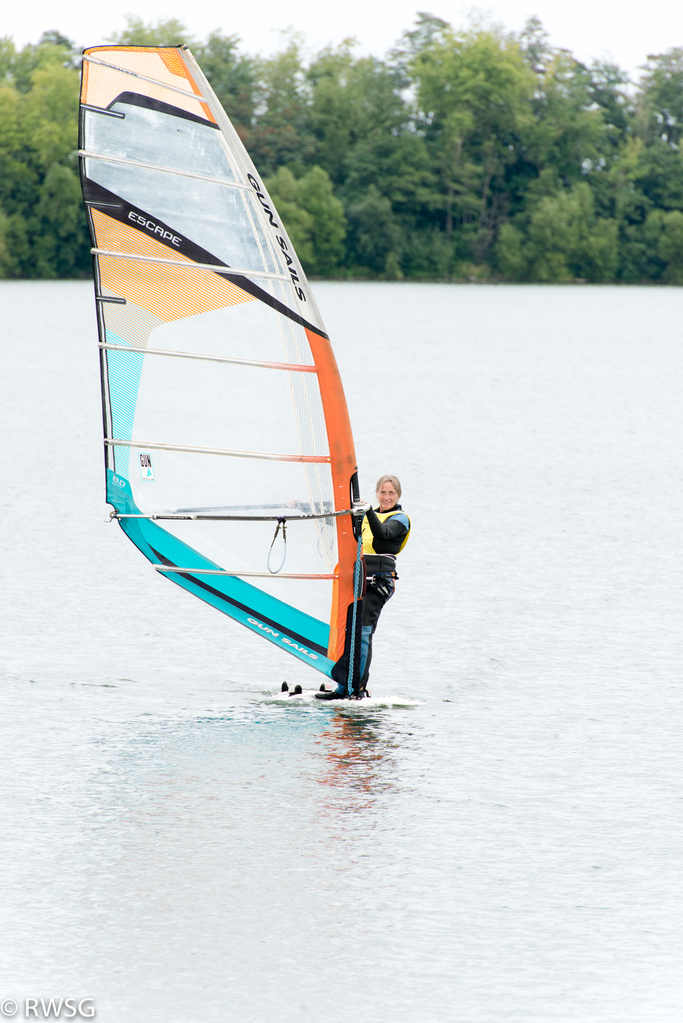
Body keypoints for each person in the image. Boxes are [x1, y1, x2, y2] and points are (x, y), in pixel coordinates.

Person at [316, 475, 411, 699]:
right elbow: (333, 516)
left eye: (391, 493)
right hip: (357, 579)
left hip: (379, 582)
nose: (387, 497)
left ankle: (357, 687)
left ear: (398, 495)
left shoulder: (400, 518)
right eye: (383, 492)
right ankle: (343, 686)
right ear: (377, 493)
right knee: (348, 632)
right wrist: (300, 506)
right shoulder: (367, 516)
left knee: (363, 632)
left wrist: (367, 511)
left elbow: (383, 534)